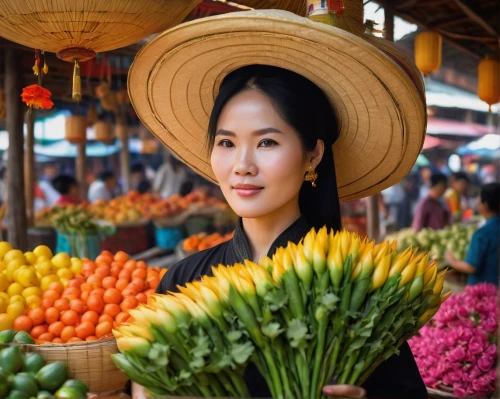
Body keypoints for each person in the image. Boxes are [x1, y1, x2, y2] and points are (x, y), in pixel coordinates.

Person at [129, 5, 427, 399]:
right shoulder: (183, 281)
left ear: (313, 155)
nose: (242, 165)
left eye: (267, 142)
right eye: (226, 142)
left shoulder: (359, 288)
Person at [445, 182, 499, 285]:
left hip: (484, 290)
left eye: (479, 200)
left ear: (485, 205)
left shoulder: (482, 234)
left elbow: (471, 267)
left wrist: (452, 261)